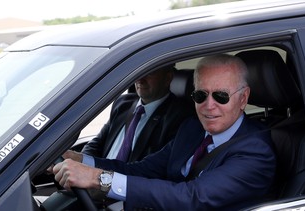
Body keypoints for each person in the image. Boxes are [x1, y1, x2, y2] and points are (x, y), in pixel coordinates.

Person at [53, 54, 276, 210]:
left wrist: (99, 179)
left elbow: (192, 198)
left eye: (221, 96)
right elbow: (143, 170)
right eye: (200, 95)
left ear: (243, 98)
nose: (209, 106)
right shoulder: (192, 129)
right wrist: (82, 161)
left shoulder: (256, 151)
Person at [77, 65, 195, 163]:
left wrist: (96, 174)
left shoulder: (180, 117)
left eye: (150, 72)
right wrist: (82, 165)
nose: (140, 79)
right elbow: (96, 144)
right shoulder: (123, 103)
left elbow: (147, 169)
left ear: (167, 78)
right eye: (139, 71)